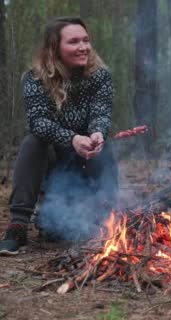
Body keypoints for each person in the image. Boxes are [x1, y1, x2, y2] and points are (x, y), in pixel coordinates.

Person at [0, 17, 118, 256]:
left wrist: (96, 133)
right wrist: (73, 139)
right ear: (54, 48)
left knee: (102, 144)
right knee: (33, 140)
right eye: (73, 42)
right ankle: (17, 226)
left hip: (84, 168)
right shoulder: (35, 78)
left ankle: (108, 219)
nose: (83, 47)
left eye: (85, 40)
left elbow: (101, 114)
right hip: (51, 168)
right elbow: (38, 122)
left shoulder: (100, 77)